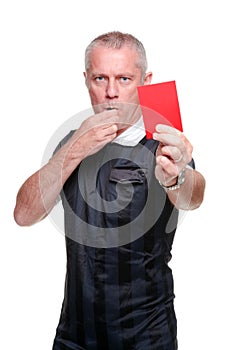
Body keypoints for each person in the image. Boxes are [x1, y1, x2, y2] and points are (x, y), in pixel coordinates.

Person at [14, 31, 205, 350]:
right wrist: (74, 149)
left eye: (125, 78)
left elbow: (193, 195)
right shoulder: (71, 142)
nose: (111, 92)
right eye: (100, 78)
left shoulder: (165, 144)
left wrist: (176, 177)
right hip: (74, 336)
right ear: (86, 79)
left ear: (146, 81)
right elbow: (23, 214)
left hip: (146, 336)